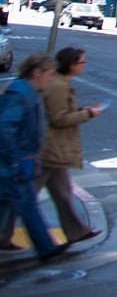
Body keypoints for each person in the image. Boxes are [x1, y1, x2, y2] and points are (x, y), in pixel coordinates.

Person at [0, 55, 67, 261]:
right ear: (36, 73)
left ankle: (43, 246)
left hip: (18, 160)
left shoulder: (26, 92)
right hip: (15, 161)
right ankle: (45, 247)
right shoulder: (20, 94)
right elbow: (5, 127)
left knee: (9, 204)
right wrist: (13, 159)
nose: (50, 79)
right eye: (48, 74)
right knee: (27, 204)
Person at [37, 46, 102, 241]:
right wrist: (87, 114)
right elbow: (59, 119)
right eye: (82, 62)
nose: (84, 65)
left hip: (55, 149)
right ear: (71, 65)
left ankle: (77, 231)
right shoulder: (59, 86)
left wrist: (81, 110)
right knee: (25, 197)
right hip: (51, 148)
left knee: (63, 193)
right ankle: (6, 234)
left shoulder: (61, 83)